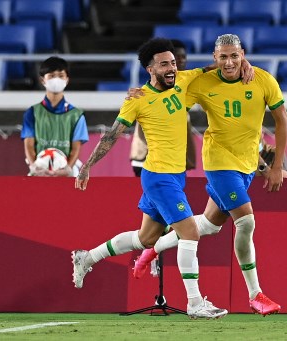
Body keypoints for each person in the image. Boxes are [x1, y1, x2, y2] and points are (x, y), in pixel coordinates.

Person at [71, 38, 230, 320]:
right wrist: (88, 166)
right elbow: (112, 135)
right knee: (190, 232)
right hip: (159, 177)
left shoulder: (183, 80)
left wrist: (242, 65)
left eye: (173, 62)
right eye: (164, 64)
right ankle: (195, 303)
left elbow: (217, 67)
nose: (172, 68)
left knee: (146, 239)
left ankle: (87, 257)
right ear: (150, 69)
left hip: (175, 175)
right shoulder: (138, 99)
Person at [132, 34, 287, 316]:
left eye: (234, 56)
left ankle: (153, 249)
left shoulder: (264, 80)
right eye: (223, 57)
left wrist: (276, 165)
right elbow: (169, 93)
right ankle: (256, 294)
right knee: (246, 222)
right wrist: (140, 94)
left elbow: (282, 120)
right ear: (214, 58)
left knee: (207, 225)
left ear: (242, 54)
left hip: (245, 165)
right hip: (218, 162)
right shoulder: (203, 83)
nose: (229, 62)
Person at [130, 39, 196, 176]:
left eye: (183, 57)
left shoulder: (182, 87)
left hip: (173, 163)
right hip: (148, 160)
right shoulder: (149, 91)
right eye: (176, 58)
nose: (181, 61)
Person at [21, 56, 88, 177]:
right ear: (43, 80)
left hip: (67, 172)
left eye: (61, 75)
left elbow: (75, 148)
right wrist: (34, 167)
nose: (56, 79)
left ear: (67, 80)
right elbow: (29, 145)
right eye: (51, 76)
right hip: (40, 171)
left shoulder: (77, 115)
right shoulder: (32, 113)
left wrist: (68, 169)